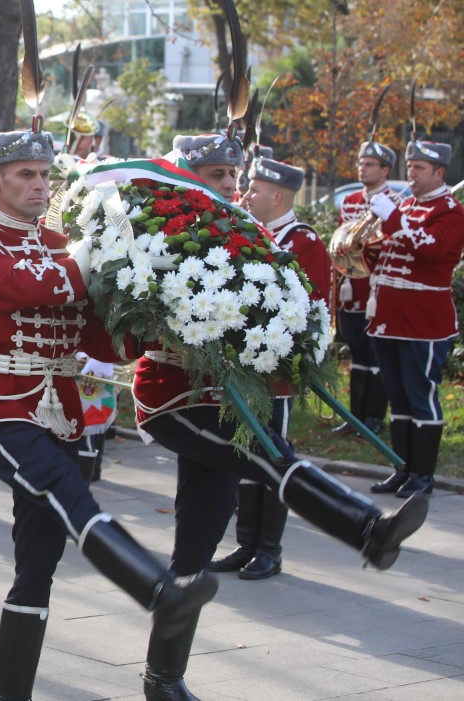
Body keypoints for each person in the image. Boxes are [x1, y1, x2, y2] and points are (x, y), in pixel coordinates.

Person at [131, 132, 429, 700]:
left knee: (194, 548)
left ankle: (162, 678)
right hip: (173, 395)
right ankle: (367, 529)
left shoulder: (240, 232)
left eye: (231, 176)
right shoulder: (159, 225)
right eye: (216, 175)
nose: (228, 186)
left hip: (228, 395)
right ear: (186, 175)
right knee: (269, 456)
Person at [0, 129, 217, 701]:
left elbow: (102, 341)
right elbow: (25, 289)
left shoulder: (64, 243)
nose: (39, 186)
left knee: (39, 558)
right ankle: (154, 590)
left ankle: (7, 691)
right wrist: (98, 257)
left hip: (60, 409)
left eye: (45, 175)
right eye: (25, 175)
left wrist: (154, 310)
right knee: (66, 489)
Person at [209, 156, 332, 581]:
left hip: (274, 370)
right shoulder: (251, 233)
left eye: (255, 189)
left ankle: (269, 549)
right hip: (242, 368)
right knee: (244, 455)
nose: (245, 194)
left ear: (277, 196)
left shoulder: (303, 241)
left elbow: (310, 309)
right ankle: (245, 543)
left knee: (272, 457)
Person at [366, 139, 464, 498]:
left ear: (440, 173)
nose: (412, 174)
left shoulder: (451, 211)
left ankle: (423, 475)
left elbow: (431, 248)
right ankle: (402, 468)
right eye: (410, 167)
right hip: (390, 318)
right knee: (399, 399)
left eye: (420, 168)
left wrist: (392, 219)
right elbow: (389, 254)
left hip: (423, 322)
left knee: (421, 396)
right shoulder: (408, 204)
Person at [333, 141, 399, 436]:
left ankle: (374, 417)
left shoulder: (393, 201)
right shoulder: (349, 202)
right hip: (352, 286)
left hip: (376, 288)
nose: (363, 167)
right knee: (357, 351)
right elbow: (341, 241)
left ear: (385, 170)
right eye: (361, 162)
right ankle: (356, 416)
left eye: (370, 163)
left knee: (375, 354)